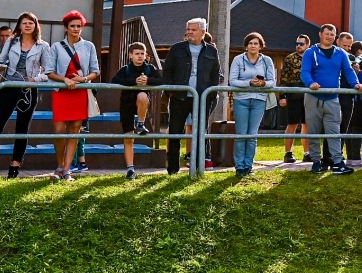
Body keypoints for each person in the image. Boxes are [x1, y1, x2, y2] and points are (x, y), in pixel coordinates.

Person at [0, 12, 49, 178]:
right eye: (24, 23)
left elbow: (48, 71)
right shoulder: (12, 41)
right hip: (9, 86)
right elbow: (2, 61)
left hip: (29, 89)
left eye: (31, 23)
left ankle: (14, 166)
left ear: (36, 26)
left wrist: (34, 80)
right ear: (19, 26)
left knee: (22, 128)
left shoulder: (43, 46)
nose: (28, 25)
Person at [45, 11, 100, 181]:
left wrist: (83, 79)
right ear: (66, 28)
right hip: (61, 91)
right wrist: (64, 79)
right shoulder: (56, 46)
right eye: (72, 26)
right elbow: (49, 71)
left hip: (80, 91)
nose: (76, 29)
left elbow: (95, 71)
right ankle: (59, 165)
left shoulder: (89, 46)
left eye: (79, 26)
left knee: (75, 130)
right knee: (59, 131)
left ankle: (66, 170)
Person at [163, 17, 222, 175]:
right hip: (179, 98)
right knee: (175, 132)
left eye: (193, 30)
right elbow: (167, 72)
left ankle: (197, 167)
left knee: (200, 132)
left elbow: (216, 74)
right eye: (188, 29)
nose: (189, 32)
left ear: (203, 32)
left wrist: (210, 94)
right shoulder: (176, 49)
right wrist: (171, 91)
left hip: (202, 99)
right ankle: (173, 169)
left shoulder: (211, 51)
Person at [301, 23, 361, 175]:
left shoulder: (340, 53)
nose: (329, 36)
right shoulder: (310, 52)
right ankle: (316, 161)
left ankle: (338, 162)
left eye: (332, 34)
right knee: (313, 131)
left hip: (333, 98)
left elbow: (348, 70)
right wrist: (310, 83)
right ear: (320, 34)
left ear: (335, 37)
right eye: (327, 33)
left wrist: (355, 83)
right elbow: (305, 72)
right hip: (313, 97)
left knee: (334, 131)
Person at [110, 40, 161, 181]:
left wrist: (148, 81)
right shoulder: (125, 69)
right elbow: (114, 80)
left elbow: (162, 80)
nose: (140, 56)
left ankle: (141, 123)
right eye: (137, 53)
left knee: (142, 95)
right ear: (130, 55)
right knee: (128, 138)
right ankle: (130, 168)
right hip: (126, 104)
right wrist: (134, 82)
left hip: (141, 104)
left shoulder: (150, 68)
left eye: (142, 53)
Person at [228, 33, 276, 177]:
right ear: (246, 46)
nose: (253, 46)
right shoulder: (238, 59)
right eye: (250, 43)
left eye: (256, 43)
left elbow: (272, 82)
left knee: (252, 134)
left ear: (260, 46)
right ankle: (239, 166)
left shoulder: (267, 60)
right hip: (241, 100)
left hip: (259, 100)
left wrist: (263, 83)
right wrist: (248, 83)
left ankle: (248, 166)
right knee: (241, 134)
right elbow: (232, 81)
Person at [279, 34, 310, 164]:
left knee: (307, 123)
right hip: (294, 92)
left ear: (307, 45)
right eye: (297, 43)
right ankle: (288, 152)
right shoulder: (290, 58)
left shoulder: (312, 57)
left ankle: (307, 152)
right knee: (292, 123)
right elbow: (284, 77)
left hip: (308, 93)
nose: (298, 46)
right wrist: (282, 96)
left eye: (301, 44)